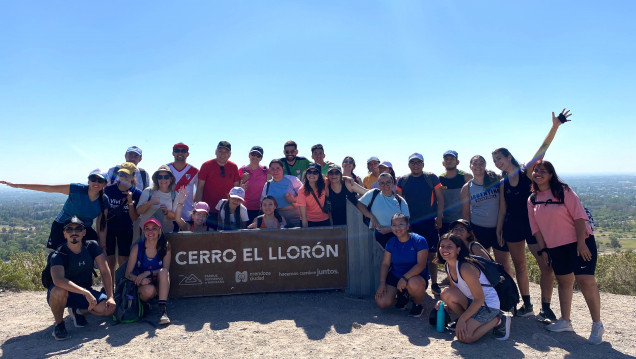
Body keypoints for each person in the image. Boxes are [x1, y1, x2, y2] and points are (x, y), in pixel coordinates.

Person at [491, 109, 571, 319]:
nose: (497, 162)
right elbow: (503, 209)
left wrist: (555, 126)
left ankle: (546, 306)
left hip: (534, 226)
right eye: (495, 160)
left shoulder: (527, 172)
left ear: (509, 157)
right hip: (512, 227)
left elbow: (543, 148)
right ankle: (526, 305)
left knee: (546, 265)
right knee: (519, 266)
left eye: (499, 158)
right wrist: (499, 229)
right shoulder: (502, 183)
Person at [527, 160, 604, 344]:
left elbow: (579, 217)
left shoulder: (563, 191)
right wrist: (543, 250)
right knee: (563, 282)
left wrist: (581, 243)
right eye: (536, 170)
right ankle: (565, 321)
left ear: (551, 174)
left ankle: (597, 324)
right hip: (555, 246)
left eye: (543, 171)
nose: (538, 173)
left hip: (579, 243)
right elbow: (536, 229)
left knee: (585, 281)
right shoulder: (532, 199)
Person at [1, 169, 109, 250]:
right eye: (93, 179)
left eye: (100, 180)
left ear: (105, 183)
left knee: (93, 252)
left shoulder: (104, 200)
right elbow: (49, 188)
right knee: (62, 256)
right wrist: (17, 185)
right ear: (88, 181)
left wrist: (102, 244)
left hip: (83, 230)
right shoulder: (77, 189)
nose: (96, 183)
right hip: (61, 226)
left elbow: (101, 224)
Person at [47, 216, 115, 340]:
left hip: (84, 293)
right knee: (58, 290)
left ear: (84, 232)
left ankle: (77, 311)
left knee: (108, 309)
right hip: (65, 293)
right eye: (69, 230)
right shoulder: (58, 254)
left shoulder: (91, 247)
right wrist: (85, 292)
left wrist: (110, 296)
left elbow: (105, 271)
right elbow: (58, 280)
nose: (74, 232)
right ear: (64, 234)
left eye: (78, 229)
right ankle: (59, 325)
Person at [436, 234, 511, 343]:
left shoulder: (466, 268)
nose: (444, 249)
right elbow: (455, 291)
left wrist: (462, 319)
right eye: (442, 246)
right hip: (473, 302)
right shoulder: (448, 265)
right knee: (446, 293)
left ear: (458, 249)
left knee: (465, 337)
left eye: (449, 246)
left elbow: (479, 299)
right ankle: (467, 322)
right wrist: (444, 305)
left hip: (488, 305)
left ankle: (499, 319)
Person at [397, 153, 445, 295]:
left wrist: (439, 217)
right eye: (413, 162)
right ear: (408, 164)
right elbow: (399, 202)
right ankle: (415, 283)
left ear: (423, 164)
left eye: (418, 162)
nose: (416, 165)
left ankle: (434, 283)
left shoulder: (431, 177)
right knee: (412, 254)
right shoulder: (403, 180)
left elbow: (440, 198)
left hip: (429, 222)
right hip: (411, 223)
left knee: (432, 254)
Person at [460, 156, 512, 276]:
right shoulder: (467, 188)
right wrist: (468, 234)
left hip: (499, 228)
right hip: (479, 229)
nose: (478, 166)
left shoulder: (495, 181)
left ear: (485, 165)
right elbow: (466, 213)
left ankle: (509, 292)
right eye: (475, 163)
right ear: (470, 166)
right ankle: (487, 292)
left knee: (503, 264)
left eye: (481, 163)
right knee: (481, 264)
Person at [375, 214, 429, 317]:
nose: (397, 228)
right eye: (394, 225)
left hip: (414, 277)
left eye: (401, 224)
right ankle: (402, 297)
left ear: (408, 226)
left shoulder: (419, 240)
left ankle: (417, 304)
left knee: (414, 284)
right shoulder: (391, 242)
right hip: (396, 275)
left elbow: (421, 265)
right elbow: (385, 264)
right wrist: (382, 283)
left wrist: (404, 278)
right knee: (382, 302)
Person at [125, 218, 172, 325]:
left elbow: (165, 270)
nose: (150, 232)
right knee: (148, 290)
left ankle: (162, 310)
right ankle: (145, 305)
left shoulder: (165, 246)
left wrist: (148, 273)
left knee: (164, 272)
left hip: (159, 283)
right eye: (147, 229)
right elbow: (127, 274)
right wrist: (140, 280)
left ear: (159, 230)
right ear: (144, 231)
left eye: (154, 229)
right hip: (144, 285)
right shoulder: (137, 248)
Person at [104, 162, 142, 284]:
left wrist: (130, 202)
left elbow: (134, 217)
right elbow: (102, 213)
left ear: (133, 176)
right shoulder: (108, 190)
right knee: (109, 261)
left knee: (123, 260)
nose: (123, 177)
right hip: (109, 229)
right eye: (121, 174)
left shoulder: (137, 193)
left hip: (125, 230)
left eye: (127, 175)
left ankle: (121, 286)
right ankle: (109, 288)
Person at [195, 141, 240, 229]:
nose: (223, 154)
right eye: (220, 151)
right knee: (208, 237)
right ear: (216, 151)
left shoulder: (234, 167)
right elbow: (200, 187)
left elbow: (236, 188)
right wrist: (197, 207)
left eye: (226, 152)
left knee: (226, 238)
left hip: (227, 210)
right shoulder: (206, 165)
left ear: (230, 154)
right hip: (208, 210)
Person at [357, 173, 410, 248]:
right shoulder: (373, 193)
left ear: (393, 183)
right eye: (382, 183)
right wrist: (371, 216)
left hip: (397, 236)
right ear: (378, 184)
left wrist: (389, 229)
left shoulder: (400, 201)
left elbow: (407, 223)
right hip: (376, 235)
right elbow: (360, 204)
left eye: (388, 182)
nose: (385, 185)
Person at [136, 165, 179, 233]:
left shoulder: (175, 195)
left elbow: (175, 217)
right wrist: (150, 203)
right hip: (147, 233)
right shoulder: (148, 191)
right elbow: (138, 212)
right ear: (156, 179)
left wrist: (166, 212)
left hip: (165, 233)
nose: (163, 179)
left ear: (171, 179)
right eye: (160, 177)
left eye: (166, 177)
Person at [439, 150, 473, 234]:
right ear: (443, 162)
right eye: (446, 159)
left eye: (452, 159)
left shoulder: (466, 177)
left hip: (462, 221)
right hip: (445, 222)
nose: (449, 161)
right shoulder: (439, 179)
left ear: (457, 162)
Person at [261, 159, 302, 228]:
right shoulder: (267, 184)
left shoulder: (293, 180)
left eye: (278, 168)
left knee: (296, 237)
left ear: (282, 169)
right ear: (270, 170)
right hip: (276, 217)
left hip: (295, 216)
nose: (275, 171)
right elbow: (262, 201)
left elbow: (305, 195)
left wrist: (293, 200)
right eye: (272, 169)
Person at [168, 142, 199, 223]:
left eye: (183, 151)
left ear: (187, 154)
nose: (180, 153)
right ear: (173, 153)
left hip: (187, 215)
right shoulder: (166, 169)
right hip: (168, 214)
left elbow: (199, 191)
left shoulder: (194, 171)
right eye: (177, 150)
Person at [239, 146, 269, 222]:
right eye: (253, 154)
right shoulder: (241, 170)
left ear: (261, 158)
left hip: (261, 209)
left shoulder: (266, 171)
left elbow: (270, 187)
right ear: (249, 155)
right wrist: (242, 180)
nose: (255, 157)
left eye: (258, 155)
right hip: (244, 208)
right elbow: (235, 190)